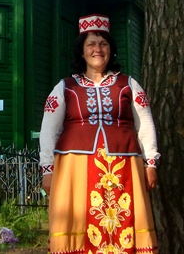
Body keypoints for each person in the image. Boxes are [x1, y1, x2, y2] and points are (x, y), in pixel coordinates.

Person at [39, 14, 159, 254]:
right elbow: (48, 131)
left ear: (110, 50)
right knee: (78, 220)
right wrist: (47, 169)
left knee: (124, 223)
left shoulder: (129, 84)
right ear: (81, 51)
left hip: (124, 167)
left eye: (103, 44)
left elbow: (145, 124)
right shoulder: (65, 87)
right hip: (74, 169)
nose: (98, 49)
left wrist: (151, 163)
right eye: (91, 44)